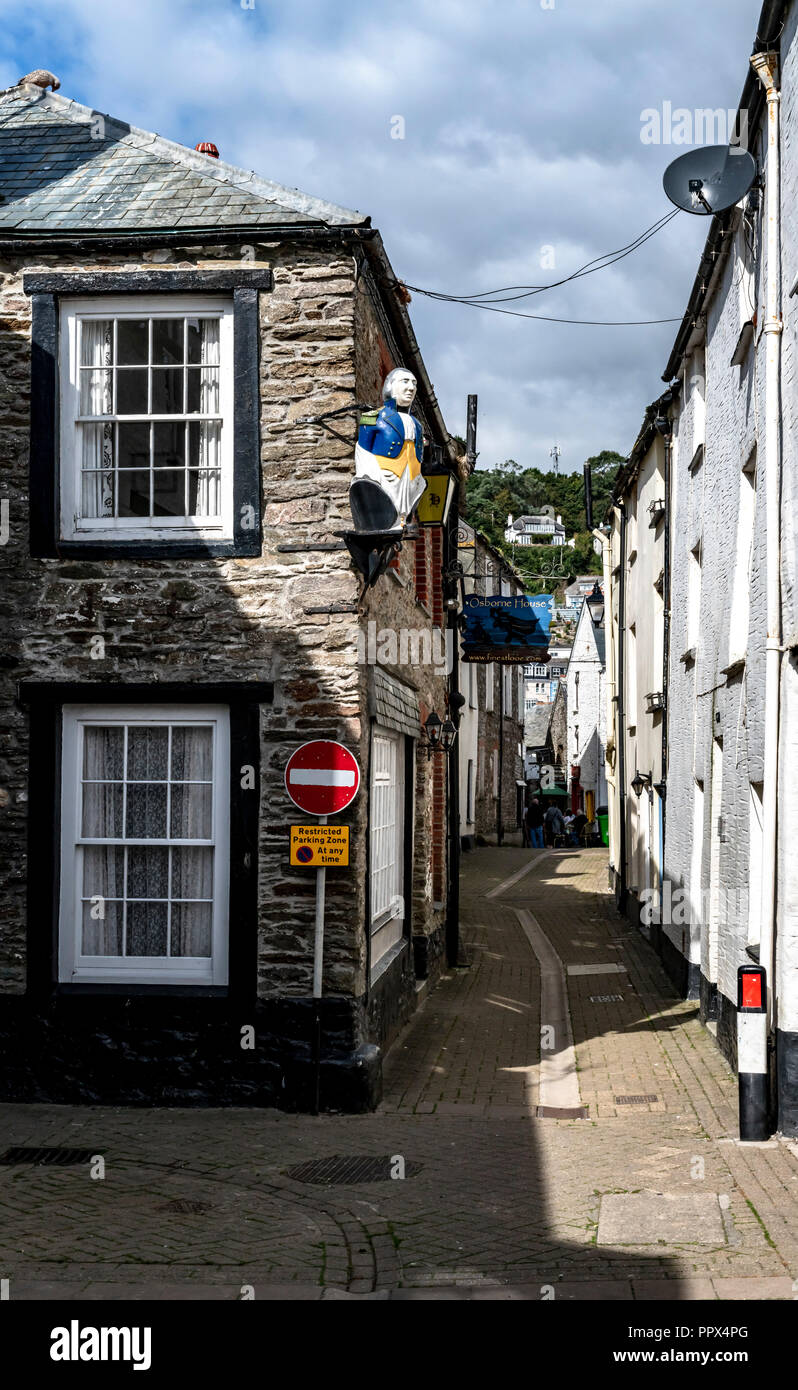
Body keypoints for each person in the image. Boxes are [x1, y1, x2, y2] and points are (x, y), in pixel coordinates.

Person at [353, 367, 427, 533]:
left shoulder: (417, 425)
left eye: (414, 383)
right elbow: (363, 452)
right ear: (391, 386)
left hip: (410, 481)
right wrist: (372, 477)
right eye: (405, 382)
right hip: (385, 479)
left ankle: (401, 520)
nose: (411, 388)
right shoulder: (373, 418)